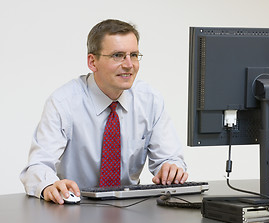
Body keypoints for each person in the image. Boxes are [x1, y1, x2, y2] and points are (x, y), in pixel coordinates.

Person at [20, 19, 188, 204]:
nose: (129, 64)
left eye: (134, 55)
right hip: (77, 209)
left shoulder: (150, 101)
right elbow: (38, 165)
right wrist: (49, 185)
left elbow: (170, 159)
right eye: (118, 55)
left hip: (130, 208)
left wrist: (171, 169)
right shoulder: (63, 103)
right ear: (92, 62)